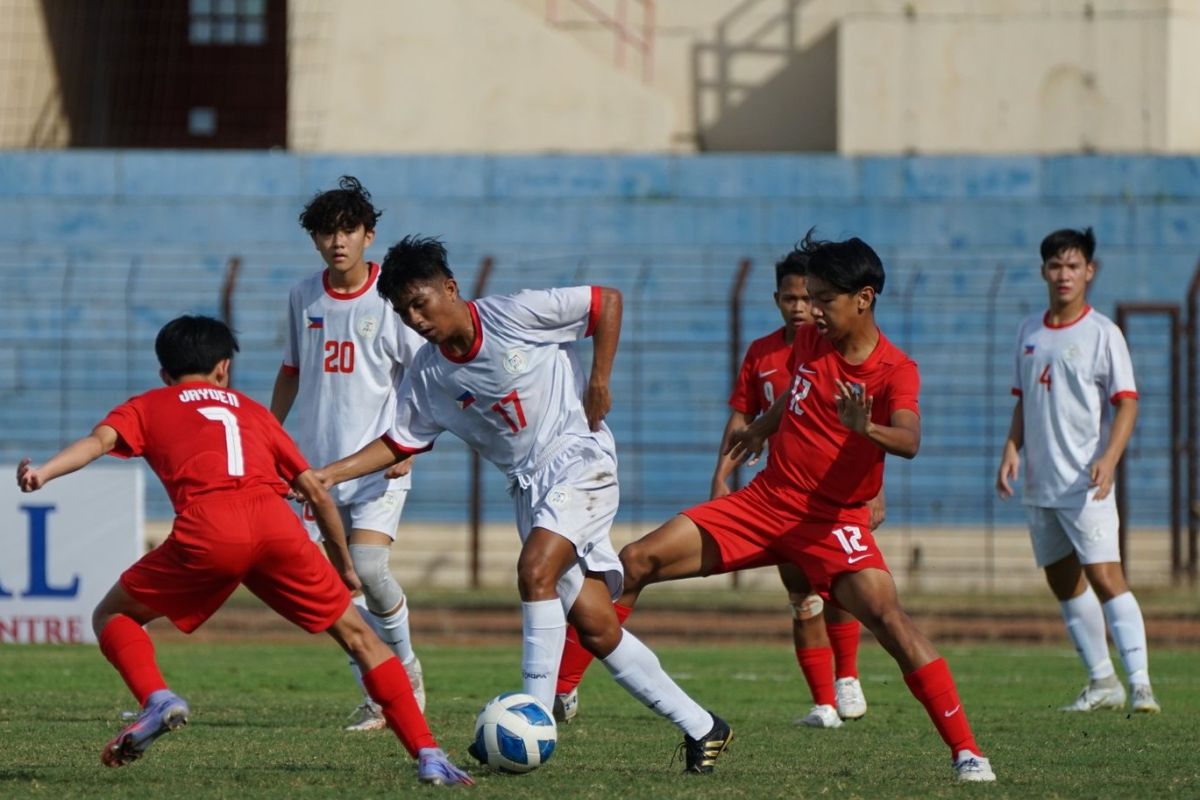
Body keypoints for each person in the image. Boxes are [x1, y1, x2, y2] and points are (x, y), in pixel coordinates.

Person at [316, 236, 733, 774]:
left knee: (534, 570)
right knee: (595, 627)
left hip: (579, 459)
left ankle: (534, 720)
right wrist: (327, 474)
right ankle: (704, 726)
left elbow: (606, 302)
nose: (415, 318)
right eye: (402, 311)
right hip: (528, 487)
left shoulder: (515, 313)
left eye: (421, 303)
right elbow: (399, 441)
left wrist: (600, 380)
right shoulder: (428, 374)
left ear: (450, 288)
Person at [15, 316, 471, 786]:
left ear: (164, 374)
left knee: (113, 616)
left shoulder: (147, 405)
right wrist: (344, 566)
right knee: (360, 637)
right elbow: (314, 491)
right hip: (275, 526)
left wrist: (44, 473)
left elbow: (97, 443)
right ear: (223, 369)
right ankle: (428, 752)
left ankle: (156, 698)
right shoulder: (251, 410)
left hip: (209, 528)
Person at [614, 233, 996, 782]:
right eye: (808, 297)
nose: (811, 311)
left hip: (832, 522)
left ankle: (967, 753)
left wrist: (867, 429)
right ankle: (557, 699)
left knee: (892, 622)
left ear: (863, 298)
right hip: (765, 502)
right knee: (632, 562)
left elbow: (910, 440)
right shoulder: (814, 343)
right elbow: (794, 394)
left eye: (824, 300)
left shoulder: (895, 370)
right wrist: (758, 432)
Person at [551, 247, 882, 731]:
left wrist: (874, 492)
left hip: (831, 499)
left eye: (810, 298)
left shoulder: (844, 351)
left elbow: (868, 432)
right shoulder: (767, 353)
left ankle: (847, 678)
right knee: (797, 595)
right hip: (779, 495)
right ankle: (563, 687)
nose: (801, 307)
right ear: (778, 300)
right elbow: (747, 418)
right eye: (792, 298)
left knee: (839, 591)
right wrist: (721, 476)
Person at [270, 176, 427, 731]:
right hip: (315, 469)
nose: (338, 241)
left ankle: (404, 672)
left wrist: (409, 442)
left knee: (368, 568)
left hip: (378, 461)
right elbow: (291, 371)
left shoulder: (391, 297)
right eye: (326, 232)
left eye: (348, 230)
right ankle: (376, 690)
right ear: (314, 240)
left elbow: (421, 373)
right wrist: (271, 436)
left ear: (368, 235)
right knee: (327, 586)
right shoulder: (302, 295)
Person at [996, 227, 1159, 714]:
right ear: (1044, 271)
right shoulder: (1029, 330)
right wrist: (1011, 448)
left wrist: (1108, 459)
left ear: (1090, 271)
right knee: (1063, 581)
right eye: (1055, 266)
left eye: (1073, 266)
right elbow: (1024, 399)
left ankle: (1142, 685)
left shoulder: (1103, 333)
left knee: (1107, 576)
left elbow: (1126, 404)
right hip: (1040, 483)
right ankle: (1102, 681)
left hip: (1085, 483)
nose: (1063, 275)